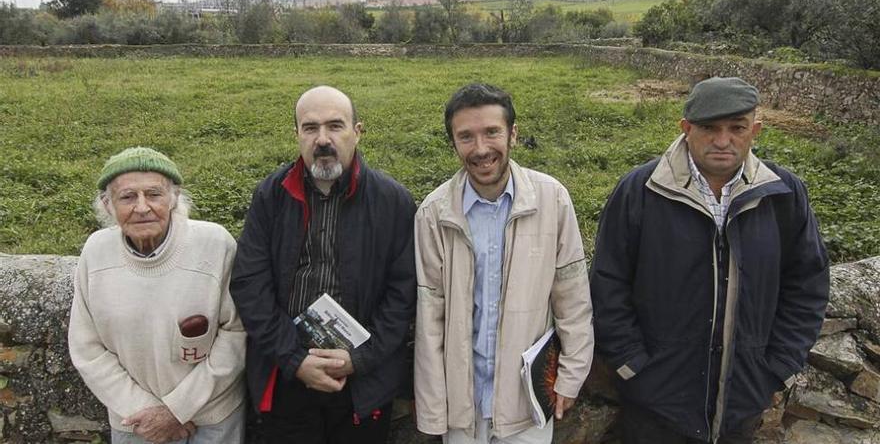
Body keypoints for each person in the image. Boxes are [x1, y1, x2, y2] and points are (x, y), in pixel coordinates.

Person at [590, 77, 830, 444]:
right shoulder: (640, 190)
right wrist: (632, 365)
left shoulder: (783, 194)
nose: (722, 141)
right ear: (685, 129)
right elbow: (608, 282)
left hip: (742, 402)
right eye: (708, 128)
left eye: (737, 128)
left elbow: (808, 284)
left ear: (756, 130)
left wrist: (777, 367)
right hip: (654, 405)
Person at [230, 85, 417, 444]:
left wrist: (359, 359)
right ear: (297, 134)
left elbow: (404, 293)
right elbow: (249, 284)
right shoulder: (271, 195)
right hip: (286, 374)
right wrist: (294, 358)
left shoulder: (393, 201)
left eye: (335, 126)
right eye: (311, 128)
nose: (323, 139)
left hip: (362, 383)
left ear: (357, 132)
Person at [414, 83, 594, 444]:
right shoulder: (435, 213)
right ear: (453, 143)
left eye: (492, 132)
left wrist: (571, 377)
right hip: (461, 409)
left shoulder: (551, 199)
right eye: (466, 137)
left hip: (527, 404)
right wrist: (435, 412)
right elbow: (430, 318)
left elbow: (572, 297)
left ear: (513, 133)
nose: (481, 149)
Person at [68, 147, 247, 444]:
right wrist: (146, 411)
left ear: (174, 197)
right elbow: (87, 348)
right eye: (127, 197)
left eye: (153, 194)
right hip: (136, 421)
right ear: (107, 204)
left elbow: (236, 334)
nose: (141, 207)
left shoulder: (214, 244)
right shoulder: (96, 252)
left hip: (213, 417)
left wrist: (177, 410)